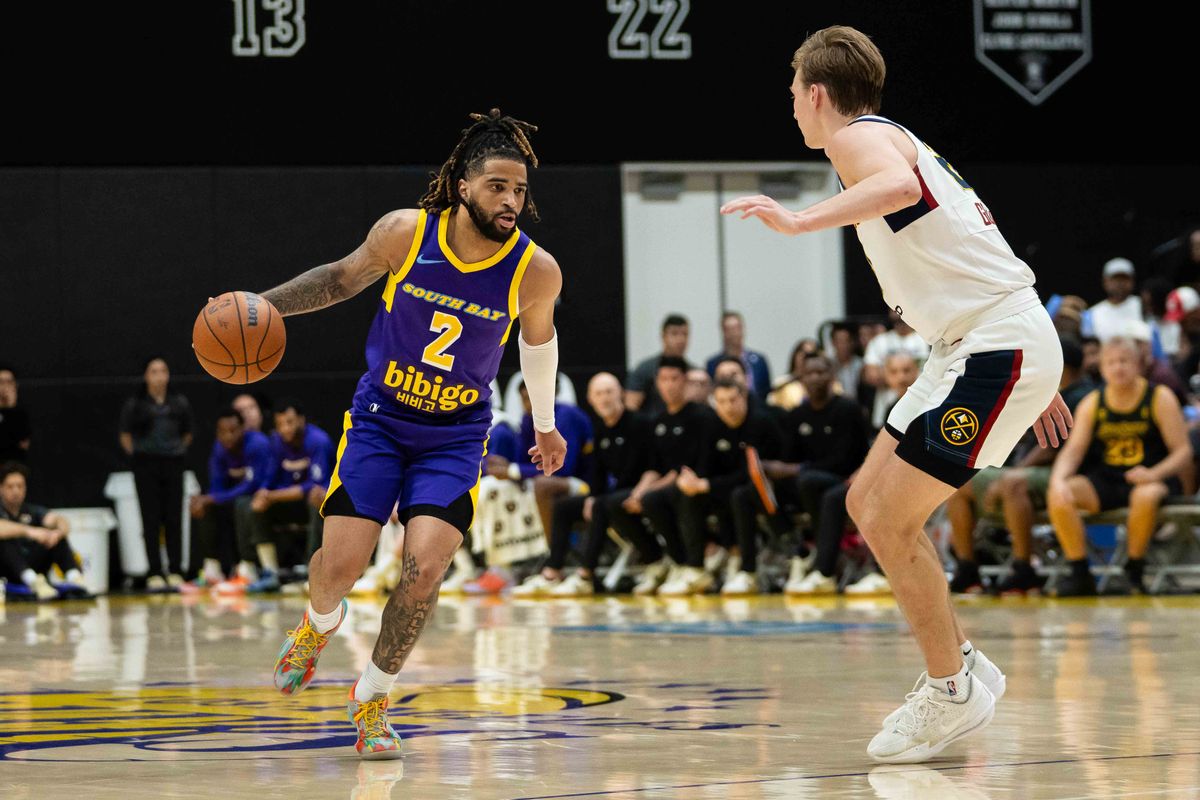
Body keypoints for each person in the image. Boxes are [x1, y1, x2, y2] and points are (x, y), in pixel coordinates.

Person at [721, 26, 1069, 763]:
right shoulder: (888, 134)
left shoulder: (856, 141)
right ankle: (962, 665)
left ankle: (950, 691)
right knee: (863, 504)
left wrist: (798, 220)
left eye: (792, 96)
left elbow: (901, 191)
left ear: (817, 93)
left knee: (887, 518)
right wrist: (1034, 362)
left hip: (992, 342)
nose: (791, 109)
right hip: (975, 343)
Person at [255, 109, 566, 760]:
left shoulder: (535, 270)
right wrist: (266, 305)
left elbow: (539, 345)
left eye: (519, 190)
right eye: (497, 187)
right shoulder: (406, 233)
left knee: (423, 570)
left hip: (455, 436)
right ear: (461, 185)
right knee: (339, 568)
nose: (511, 200)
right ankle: (319, 624)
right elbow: (339, 278)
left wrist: (544, 425)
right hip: (380, 422)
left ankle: (372, 696)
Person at [945, 337, 1096, 596]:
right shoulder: (1044, 389)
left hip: (1069, 473)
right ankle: (967, 568)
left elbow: (1052, 445)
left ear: (1062, 365)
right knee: (959, 484)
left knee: (1013, 483)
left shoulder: (1081, 396)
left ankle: (1023, 568)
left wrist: (1015, 469)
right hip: (1027, 467)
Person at [1047, 337, 1191, 596]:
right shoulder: (1093, 402)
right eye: (1111, 362)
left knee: (1145, 495)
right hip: (1109, 478)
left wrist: (1153, 474)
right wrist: (1058, 480)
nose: (1118, 368)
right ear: (1102, 368)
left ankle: (1134, 567)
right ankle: (1079, 571)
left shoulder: (1160, 397)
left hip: (1153, 476)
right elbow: (1073, 451)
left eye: (1124, 361)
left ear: (1138, 364)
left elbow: (1183, 452)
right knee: (1060, 494)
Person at [513, 372, 653, 597]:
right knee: (566, 507)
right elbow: (597, 473)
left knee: (600, 505)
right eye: (599, 393)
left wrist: (608, 497)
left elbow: (652, 467)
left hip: (640, 491)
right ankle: (553, 569)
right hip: (610, 494)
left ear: (621, 394)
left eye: (609, 392)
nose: (605, 398)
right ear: (591, 399)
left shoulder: (639, 424)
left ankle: (586, 575)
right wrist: (592, 497)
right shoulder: (600, 429)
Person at [607, 356, 710, 595]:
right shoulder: (658, 421)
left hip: (694, 482)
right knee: (618, 503)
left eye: (675, 378)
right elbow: (653, 467)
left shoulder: (700, 416)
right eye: (664, 379)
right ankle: (661, 561)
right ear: (657, 383)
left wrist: (648, 492)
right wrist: (639, 492)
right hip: (665, 485)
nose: (669, 384)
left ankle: (690, 564)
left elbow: (684, 469)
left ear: (685, 381)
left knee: (655, 499)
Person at [239, 399, 333, 592]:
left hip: (317, 503)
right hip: (286, 503)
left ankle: (313, 571)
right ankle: (268, 571)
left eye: (289, 422)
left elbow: (314, 486)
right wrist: (263, 493)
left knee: (317, 500)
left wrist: (272, 496)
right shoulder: (276, 442)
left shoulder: (318, 441)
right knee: (251, 504)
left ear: (301, 420)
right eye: (280, 424)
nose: (285, 429)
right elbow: (269, 476)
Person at [119, 355, 194, 591]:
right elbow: (125, 436)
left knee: (173, 517)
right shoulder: (136, 404)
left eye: (163, 370)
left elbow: (188, 432)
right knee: (150, 518)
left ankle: (174, 569)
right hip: (145, 464)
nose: (159, 376)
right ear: (146, 375)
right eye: (154, 371)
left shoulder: (178, 402)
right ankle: (154, 570)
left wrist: (175, 449)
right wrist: (141, 453)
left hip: (173, 462)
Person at [187, 406, 271, 590]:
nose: (227, 437)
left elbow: (252, 485)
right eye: (222, 432)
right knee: (202, 506)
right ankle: (212, 570)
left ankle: (248, 569)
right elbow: (216, 486)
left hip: (262, 498)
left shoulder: (258, 444)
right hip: (233, 500)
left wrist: (215, 498)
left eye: (232, 431)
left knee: (242, 504)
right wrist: (208, 501)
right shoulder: (219, 448)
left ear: (243, 429)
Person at [0, 462, 84, 600]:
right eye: (10, 486)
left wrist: (57, 533)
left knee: (55, 535)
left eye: (20, 486)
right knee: (5, 540)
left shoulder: (32, 511)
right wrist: (29, 531)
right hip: (8, 571)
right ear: (1, 488)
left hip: (33, 565)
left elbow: (60, 521)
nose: (16, 491)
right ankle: (31, 580)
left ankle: (74, 577)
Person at [625, 314, 690, 415]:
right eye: (674, 334)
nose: (681, 340)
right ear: (663, 336)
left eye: (685, 334)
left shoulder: (693, 371)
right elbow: (631, 406)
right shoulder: (645, 369)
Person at [705, 311, 772, 396]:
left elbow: (766, 390)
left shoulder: (758, 360)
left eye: (738, 328)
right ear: (723, 332)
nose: (735, 333)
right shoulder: (713, 363)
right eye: (730, 329)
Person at [1087, 258, 1142, 342]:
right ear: (1105, 281)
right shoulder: (1093, 313)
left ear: (1132, 281)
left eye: (1124, 278)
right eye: (1115, 279)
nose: (1120, 283)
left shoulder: (1143, 306)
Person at [0, 364, 31, 465]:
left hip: (15, 468)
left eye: (9, 382)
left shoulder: (21, 414)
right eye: (1, 382)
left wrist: (11, 407)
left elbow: (23, 445)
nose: (5, 387)